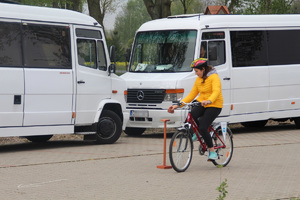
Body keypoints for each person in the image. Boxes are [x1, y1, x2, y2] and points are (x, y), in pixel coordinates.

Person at [168, 58, 223, 161]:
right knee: (191, 116)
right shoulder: (199, 79)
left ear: (203, 69)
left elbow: (216, 91)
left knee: (203, 127)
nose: (196, 73)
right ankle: (196, 134)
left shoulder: (214, 77)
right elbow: (192, 95)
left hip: (214, 105)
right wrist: (177, 105)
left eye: (197, 71)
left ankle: (212, 151)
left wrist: (209, 101)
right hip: (201, 102)